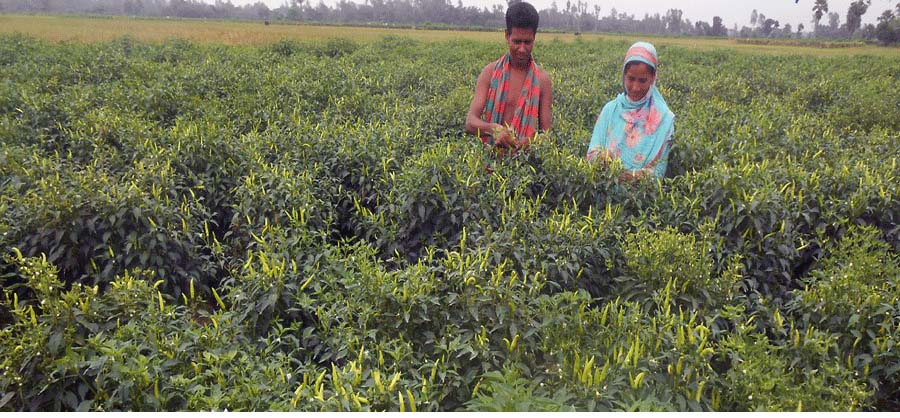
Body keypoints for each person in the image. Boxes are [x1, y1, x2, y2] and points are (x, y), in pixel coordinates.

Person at [465, 1, 553, 154]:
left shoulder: (542, 80)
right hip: (490, 163)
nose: (522, 49)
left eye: (528, 42)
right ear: (507, 35)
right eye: (517, 41)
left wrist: (532, 141)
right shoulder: (490, 73)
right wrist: (493, 130)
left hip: (524, 167)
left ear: (534, 37)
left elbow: (547, 135)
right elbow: (470, 122)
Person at [586, 41, 675, 180]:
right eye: (631, 79)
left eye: (642, 80)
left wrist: (624, 177)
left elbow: (656, 174)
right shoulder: (610, 109)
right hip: (604, 193)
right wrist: (602, 158)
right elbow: (591, 155)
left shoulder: (664, 118)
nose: (635, 87)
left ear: (653, 78)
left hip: (640, 199)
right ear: (624, 75)